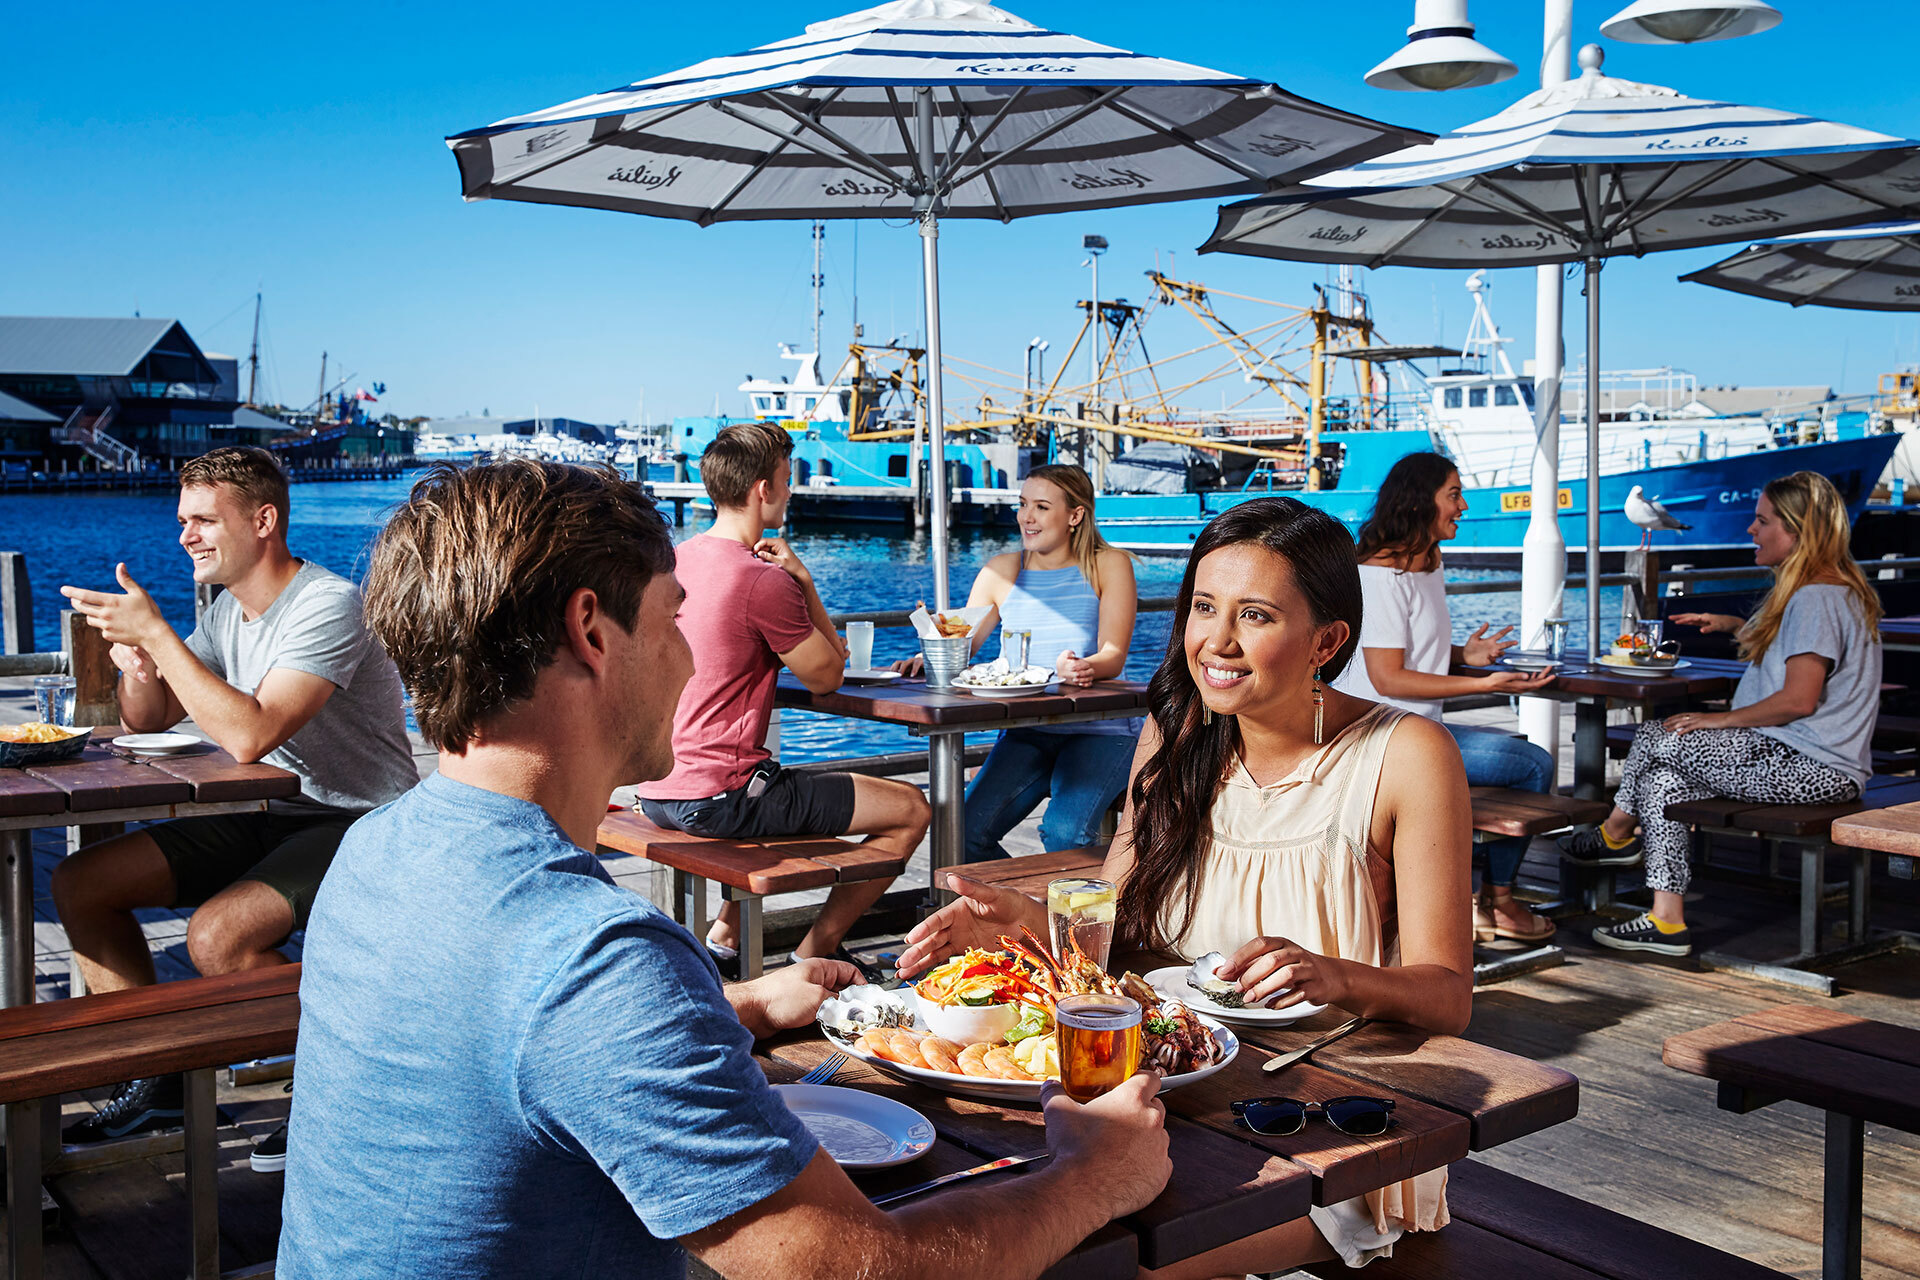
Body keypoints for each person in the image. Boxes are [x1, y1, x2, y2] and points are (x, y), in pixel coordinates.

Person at [277, 459, 1173, 1278]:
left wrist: (725, 1004)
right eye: (672, 617)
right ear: (592, 630)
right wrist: (1092, 1173)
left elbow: (501, 1035)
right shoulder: (595, 958)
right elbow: (855, 1269)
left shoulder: (379, 846)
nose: (688, 653)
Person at [898, 496, 1474, 1277]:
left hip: (1317, 1125)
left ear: (1327, 641)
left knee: (1078, 1259)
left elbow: (1447, 994)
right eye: (1204, 606)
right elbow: (1119, 933)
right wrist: (1025, 926)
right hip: (1169, 1089)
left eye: (1257, 615)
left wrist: (1334, 975)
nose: (1217, 641)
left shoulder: (1407, 754)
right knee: (952, 1207)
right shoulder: (1177, 733)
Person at [51, 446, 416, 1152]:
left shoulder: (328, 605)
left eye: (203, 520)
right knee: (82, 882)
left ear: (264, 521)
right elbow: (149, 720)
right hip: (270, 812)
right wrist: (139, 666)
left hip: (361, 819)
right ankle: (157, 1081)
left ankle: (344, 1093)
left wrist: (157, 631)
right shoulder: (226, 614)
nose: (185, 535)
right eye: (183, 519)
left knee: (220, 937)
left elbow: (250, 733)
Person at [637, 422, 926, 978]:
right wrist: (804, 580)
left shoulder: (676, 560)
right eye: (788, 479)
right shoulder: (761, 580)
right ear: (762, 490)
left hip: (657, 788)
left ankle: (724, 937)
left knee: (773, 782)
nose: (792, 491)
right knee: (911, 808)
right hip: (718, 799)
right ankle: (813, 953)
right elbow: (828, 677)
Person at [1560, 471, 1883, 957]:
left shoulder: (1815, 598)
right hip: (1798, 758)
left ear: (1796, 531)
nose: (1751, 530)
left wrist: (1719, 720)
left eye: (1762, 520)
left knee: (1655, 736)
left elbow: (1799, 699)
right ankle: (1668, 922)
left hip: (1814, 768)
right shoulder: (1826, 591)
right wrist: (1736, 625)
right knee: (1663, 781)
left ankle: (1615, 834)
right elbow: (1802, 652)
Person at [1338, 452, 1558, 944]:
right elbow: (1390, 677)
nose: (1464, 505)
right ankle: (1496, 901)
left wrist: (1465, 655)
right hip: (1381, 741)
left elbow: (1407, 651)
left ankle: (1490, 899)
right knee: (1531, 766)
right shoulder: (1381, 573)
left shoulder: (1426, 565)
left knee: (1527, 766)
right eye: (1454, 494)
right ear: (1421, 503)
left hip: (1419, 732)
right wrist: (1485, 686)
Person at [893, 464, 1139, 859]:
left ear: (1075, 516)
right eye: (1023, 504)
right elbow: (964, 643)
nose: (1027, 516)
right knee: (960, 832)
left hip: (1101, 730)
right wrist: (928, 657)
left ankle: (1077, 920)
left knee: (1064, 834)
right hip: (1027, 728)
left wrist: (1083, 667)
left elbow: (1113, 655)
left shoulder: (1109, 565)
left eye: (1041, 506)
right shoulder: (1000, 570)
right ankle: (1023, 916)